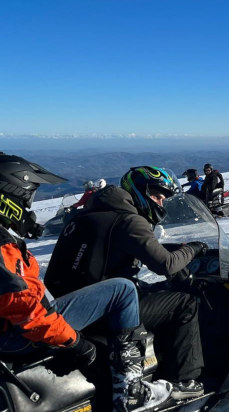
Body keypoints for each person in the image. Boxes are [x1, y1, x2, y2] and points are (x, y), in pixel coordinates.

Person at [0, 153, 172, 412]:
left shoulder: (6, 241)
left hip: (13, 329)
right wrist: (75, 343)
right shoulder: (2, 245)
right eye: (27, 198)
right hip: (17, 336)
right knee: (122, 289)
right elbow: (27, 310)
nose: (28, 206)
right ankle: (130, 391)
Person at [45, 166, 207, 400]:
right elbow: (167, 265)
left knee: (153, 291)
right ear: (140, 191)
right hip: (110, 311)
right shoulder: (129, 220)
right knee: (185, 304)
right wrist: (193, 249)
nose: (160, 203)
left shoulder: (85, 216)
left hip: (76, 307)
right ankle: (182, 380)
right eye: (157, 196)